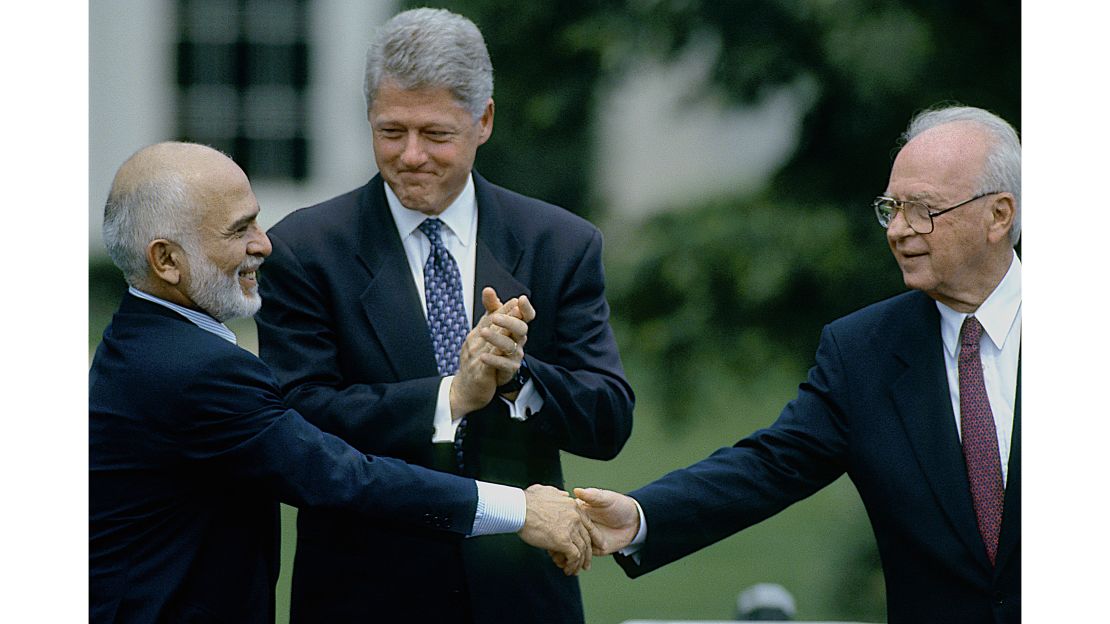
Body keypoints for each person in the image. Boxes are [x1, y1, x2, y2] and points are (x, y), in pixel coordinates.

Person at [89, 142, 599, 624]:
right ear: (167, 261)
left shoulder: (138, 340)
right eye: (237, 230)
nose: (263, 244)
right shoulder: (195, 370)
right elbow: (341, 477)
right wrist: (521, 508)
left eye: (257, 221)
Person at [254, 7, 635, 623]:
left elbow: (609, 421)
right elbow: (297, 426)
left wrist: (516, 375)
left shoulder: (559, 244)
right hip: (366, 595)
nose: (410, 156)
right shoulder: (303, 250)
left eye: (435, 135)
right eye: (390, 131)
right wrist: (450, 397)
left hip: (521, 595)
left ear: (482, 120)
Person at [576, 105, 1021, 624]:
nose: (897, 230)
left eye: (923, 210)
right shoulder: (865, 351)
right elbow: (769, 465)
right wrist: (639, 516)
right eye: (891, 208)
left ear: (998, 215)